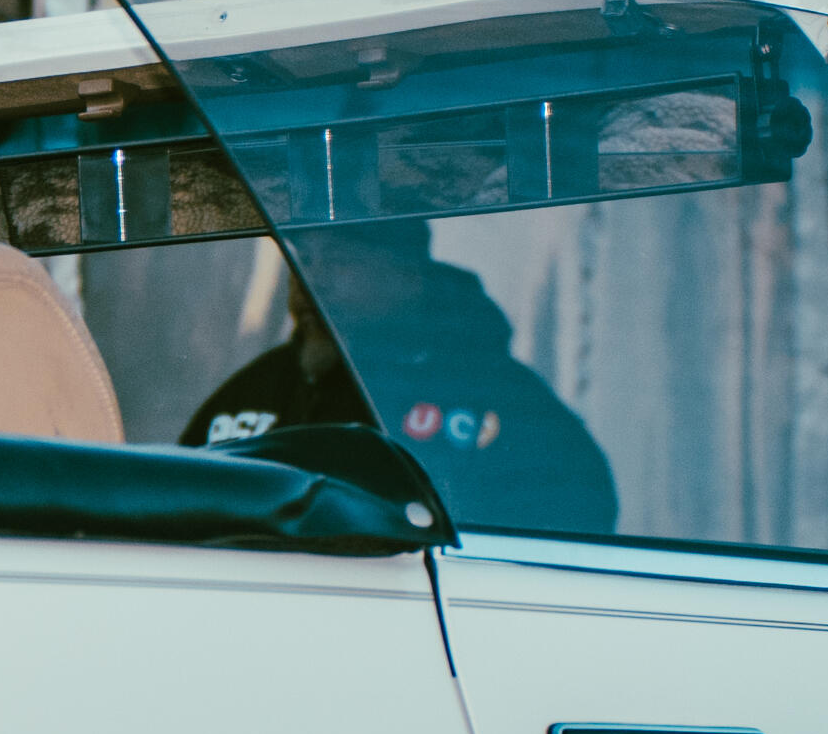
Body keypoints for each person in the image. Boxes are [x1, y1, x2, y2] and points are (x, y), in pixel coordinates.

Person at [184, 219, 617, 533]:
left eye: (339, 260)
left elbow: (578, 510)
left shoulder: (491, 395)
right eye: (307, 260)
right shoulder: (256, 390)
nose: (314, 280)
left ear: (408, 275)